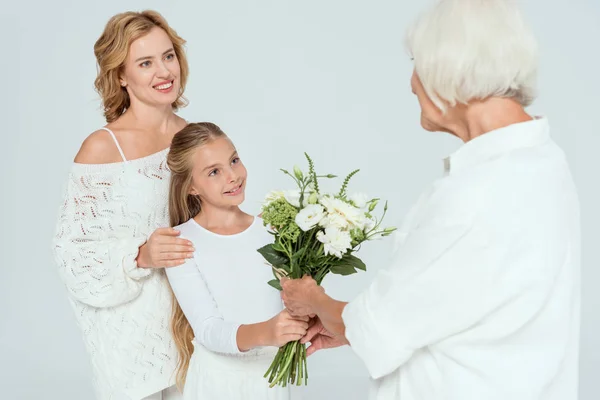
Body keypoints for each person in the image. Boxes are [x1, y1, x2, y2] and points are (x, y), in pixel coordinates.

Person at [280, 0, 581, 399]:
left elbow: (380, 325)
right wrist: (351, 327)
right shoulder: (542, 162)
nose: (411, 82)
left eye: (417, 61)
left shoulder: (479, 193)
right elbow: (457, 304)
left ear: (450, 66)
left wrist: (313, 299)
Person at [53, 10, 192, 400]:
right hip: (133, 342)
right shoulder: (102, 147)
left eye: (168, 56)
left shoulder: (194, 138)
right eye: (145, 63)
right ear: (120, 75)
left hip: (194, 325)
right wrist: (140, 255)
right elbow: (72, 254)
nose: (164, 71)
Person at [164, 122, 308, 400]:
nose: (233, 176)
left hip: (270, 379)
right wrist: (267, 331)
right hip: (216, 383)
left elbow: (293, 300)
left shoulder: (274, 231)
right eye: (214, 172)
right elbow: (207, 328)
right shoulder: (181, 242)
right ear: (191, 186)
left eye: (234, 160)